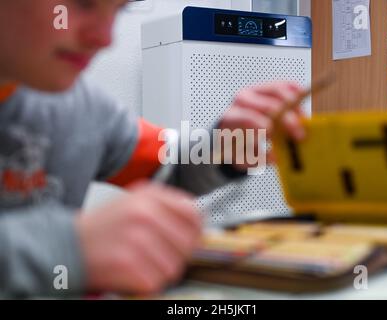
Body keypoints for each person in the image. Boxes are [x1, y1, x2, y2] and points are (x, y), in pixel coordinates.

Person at [0, 0, 306, 298]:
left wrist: (223, 146)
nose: (106, 38)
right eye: (83, 3)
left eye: (120, 8)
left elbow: (170, 169)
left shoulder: (82, 107)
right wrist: (65, 248)